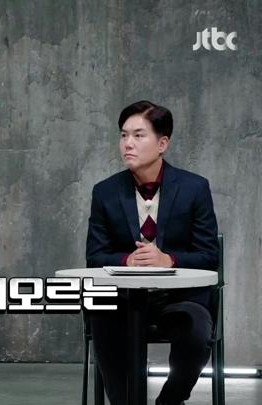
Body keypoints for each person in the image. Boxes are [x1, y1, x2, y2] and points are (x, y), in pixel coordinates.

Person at [86, 100, 219, 405]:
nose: (127, 143)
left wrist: (169, 260)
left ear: (162, 144)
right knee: (102, 315)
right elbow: (95, 256)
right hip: (122, 299)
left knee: (196, 332)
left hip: (180, 298)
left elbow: (209, 255)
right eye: (123, 135)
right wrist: (126, 260)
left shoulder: (194, 188)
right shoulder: (104, 192)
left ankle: (169, 401)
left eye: (138, 135)